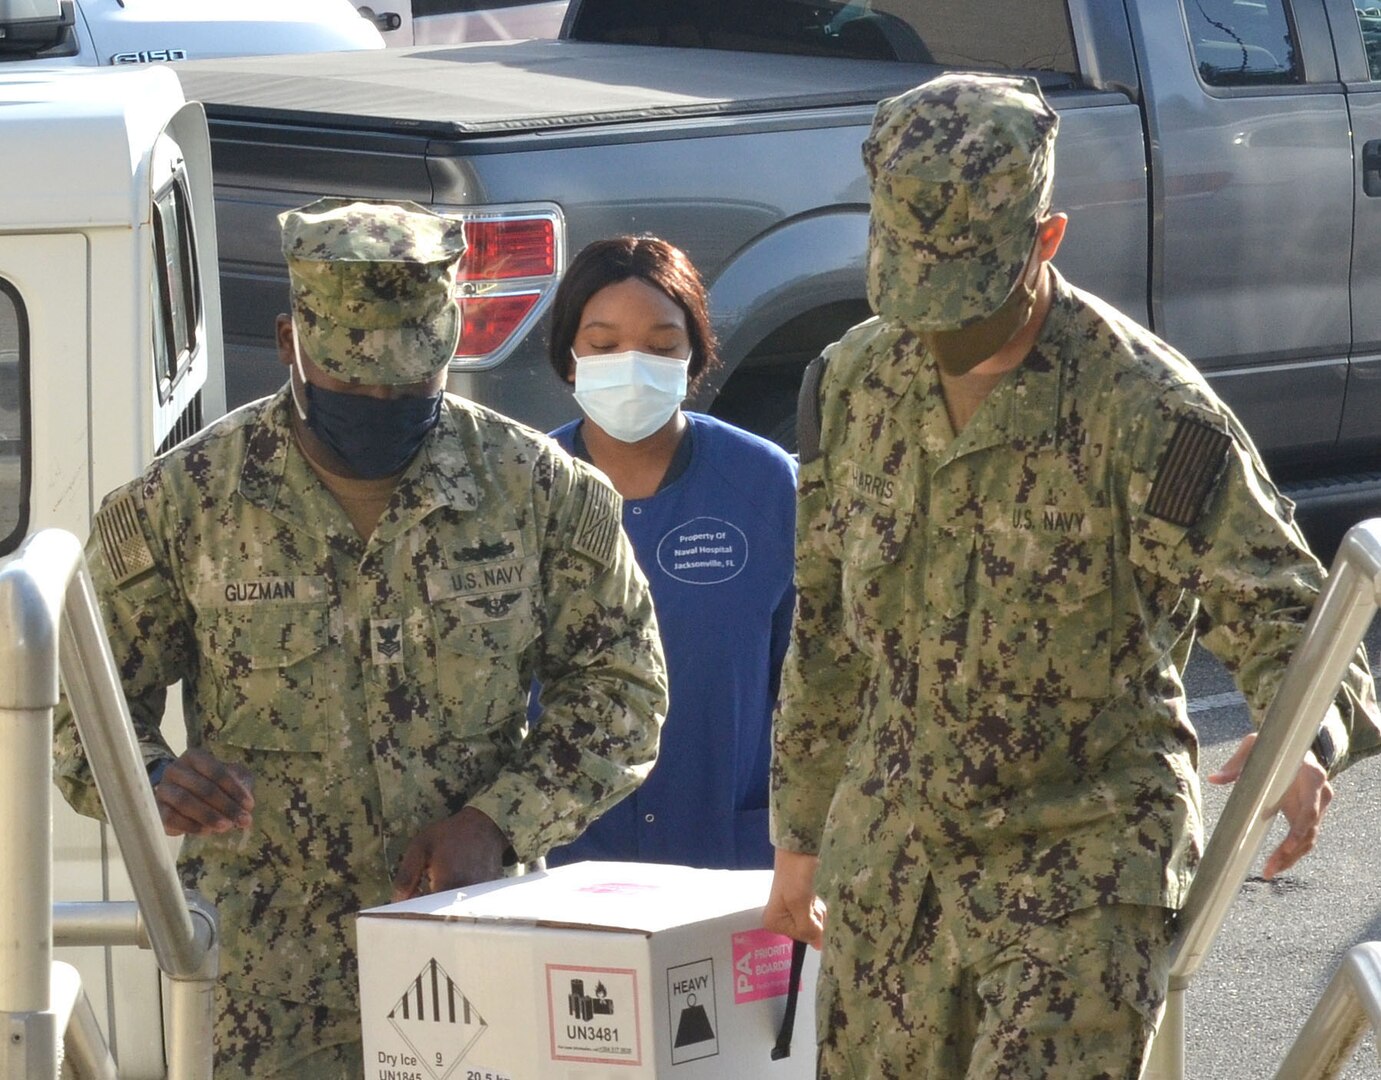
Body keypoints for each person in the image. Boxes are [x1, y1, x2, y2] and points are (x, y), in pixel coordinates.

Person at [762, 73, 1381, 1079]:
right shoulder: (852, 381)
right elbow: (829, 632)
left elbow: (1284, 608)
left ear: (1044, 241)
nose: (936, 329)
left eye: (965, 295)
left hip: (1080, 857)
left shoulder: (1143, 409)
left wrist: (1302, 734)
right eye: (910, 288)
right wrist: (799, 840)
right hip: (898, 854)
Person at [53, 198, 667, 1078]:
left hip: (473, 944)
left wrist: (498, 819)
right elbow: (84, 705)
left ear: (448, 347)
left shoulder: (538, 491)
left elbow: (622, 693)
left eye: (408, 384)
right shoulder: (183, 504)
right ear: (288, 344)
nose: (381, 402)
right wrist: (148, 777)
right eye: (352, 383)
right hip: (268, 977)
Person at [538, 235, 797, 869]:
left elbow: (816, 678)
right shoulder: (527, 485)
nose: (632, 364)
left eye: (660, 347)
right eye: (603, 346)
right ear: (570, 359)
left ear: (695, 357)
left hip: (731, 858)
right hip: (569, 862)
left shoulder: (764, 482)